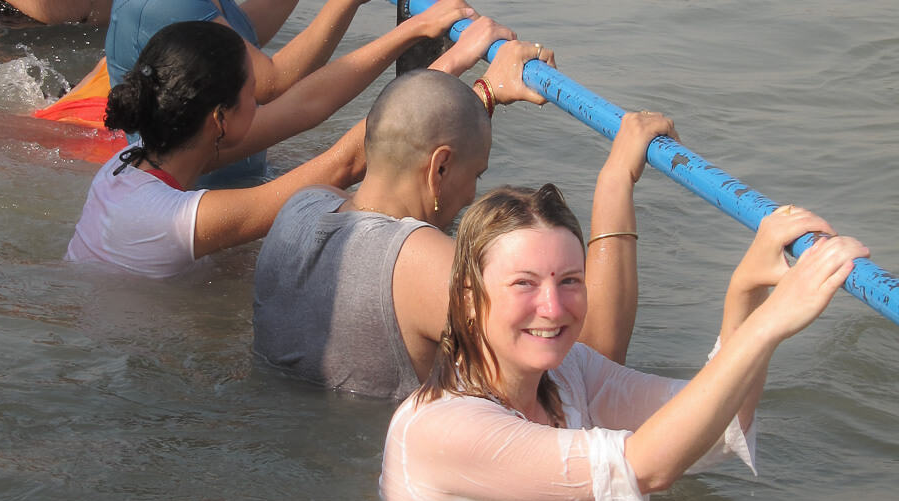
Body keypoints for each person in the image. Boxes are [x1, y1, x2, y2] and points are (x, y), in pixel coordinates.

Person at [378, 185, 869, 501]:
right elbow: (645, 467)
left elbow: (718, 423)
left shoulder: (571, 373)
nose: (552, 307)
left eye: (570, 281)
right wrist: (768, 326)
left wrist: (747, 293)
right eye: (524, 284)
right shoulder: (439, 429)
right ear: (467, 296)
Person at [252, 52, 673, 398]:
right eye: (476, 174)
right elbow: (591, 360)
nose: (472, 195)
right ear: (441, 167)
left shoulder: (302, 207)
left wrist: (485, 93)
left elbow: (417, 134)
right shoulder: (415, 260)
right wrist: (617, 179)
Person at [65, 16, 505, 278]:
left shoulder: (128, 164)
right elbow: (346, 163)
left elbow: (306, 103)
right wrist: (480, 82)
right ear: (219, 118)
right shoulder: (173, 218)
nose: (264, 97)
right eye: (254, 91)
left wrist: (413, 31)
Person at [105, 0, 476, 184]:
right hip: (202, 190)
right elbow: (271, 83)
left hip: (225, 179)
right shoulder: (166, 4)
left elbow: (244, 35)